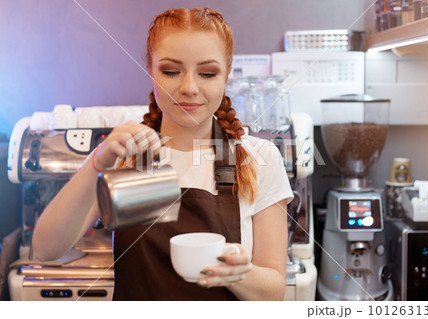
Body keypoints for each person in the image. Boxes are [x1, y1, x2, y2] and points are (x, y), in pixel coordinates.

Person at [32, 7, 293, 301]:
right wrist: (98, 160)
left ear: (227, 73)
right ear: (150, 68)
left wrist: (239, 273)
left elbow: (273, 291)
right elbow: (46, 250)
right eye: (170, 71)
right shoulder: (124, 156)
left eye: (207, 73)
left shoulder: (260, 157)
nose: (189, 88)